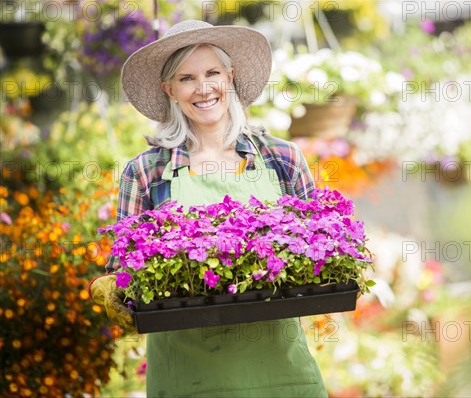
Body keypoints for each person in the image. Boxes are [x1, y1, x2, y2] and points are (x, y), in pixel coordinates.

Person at [88, 20, 328, 397]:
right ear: (169, 89)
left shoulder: (281, 158)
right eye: (186, 78)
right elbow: (124, 268)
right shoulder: (147, 172)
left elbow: (323, 247)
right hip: (188, 377)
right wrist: (113, 286)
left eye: (212, 73)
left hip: (280, 373)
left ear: (230, 77)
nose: (203, 88)